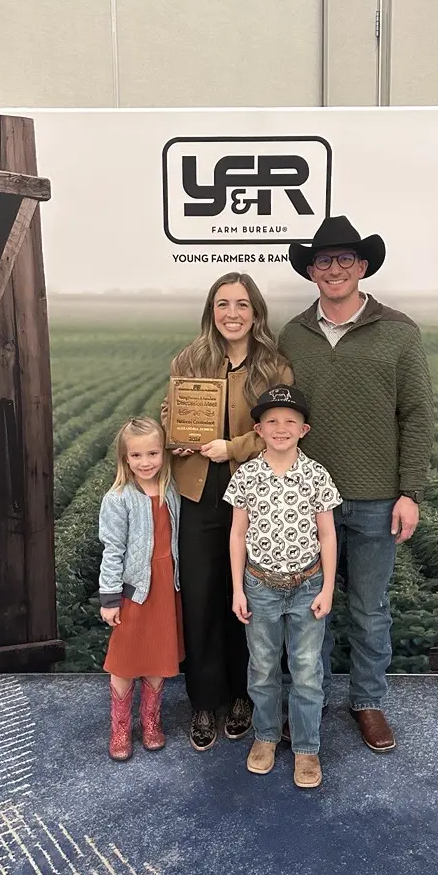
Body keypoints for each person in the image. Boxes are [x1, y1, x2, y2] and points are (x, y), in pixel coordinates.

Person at [278, 215, 434, 753]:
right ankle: (311, 699)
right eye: (324, 260)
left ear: (363, 266)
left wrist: (410, 492)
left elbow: (416, 415)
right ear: (311, 271)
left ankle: (367, 701)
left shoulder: (399, 332)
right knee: (309, 610)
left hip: (375, 500)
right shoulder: (293, 335)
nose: (335, 269)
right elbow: (277, 412)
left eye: (346, 258)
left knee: (370, 609)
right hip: (306, 501)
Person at [162, 272, 293, 752]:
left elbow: (281, 427)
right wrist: (175, 435)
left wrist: (231, 447)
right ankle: (203, 701)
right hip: (198, 492)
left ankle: (242, 696)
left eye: (241, 304)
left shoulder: (274, 367)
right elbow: (169, 411)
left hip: (252, 494)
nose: (231, 313)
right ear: (211, 311)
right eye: (222, 304)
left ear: (255, 313)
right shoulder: (189, 359)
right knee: (200, 598)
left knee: (246, 598)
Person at [225, 384, 341, 789]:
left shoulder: (316, 476)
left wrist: (327, 588)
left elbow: (328, 535)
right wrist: (238, 589)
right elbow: (237, 535)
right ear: (258, 429)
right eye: (271, 421)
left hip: (308, 585)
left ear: (303, 430)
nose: (280, 428)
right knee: (262, 667)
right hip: (260, 586)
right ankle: (266, 736)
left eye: (290, 421)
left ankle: (307, 747)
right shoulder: (247, 476)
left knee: (307, 670)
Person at [98, 417, 184, 762]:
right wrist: (110, 598)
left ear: (164, 453)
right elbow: (112, 550)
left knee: (157, 657)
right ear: (125, 459)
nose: (145, 462)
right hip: (135, 591)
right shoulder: (119, 498)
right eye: (136, 455)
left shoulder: (171, 490)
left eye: (152, 453)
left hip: (165, 587)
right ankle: (120, 727)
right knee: (125, 660)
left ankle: (150, 720)